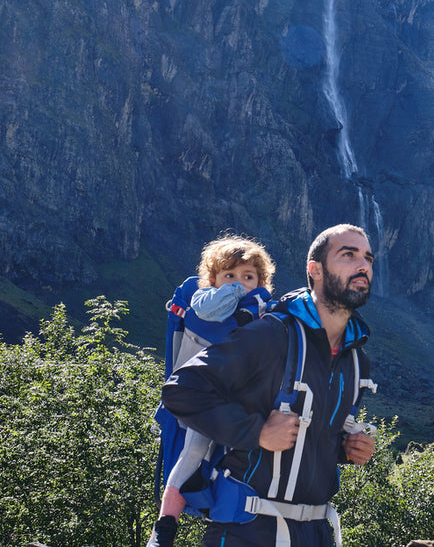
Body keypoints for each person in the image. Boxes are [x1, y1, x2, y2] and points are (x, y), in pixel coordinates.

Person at [161, 224, 377, 547]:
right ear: (314, 270)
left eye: (368, 258)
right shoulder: (273, 334)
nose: (362, 265)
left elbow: (315, 433)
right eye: (348, 255)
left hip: (318, 535)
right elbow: (180, 390)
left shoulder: (356, 360)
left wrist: (349, 447)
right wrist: (258, 432)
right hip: (246, 531)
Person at [148, 234, 277, 547]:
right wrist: (235, 292)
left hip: (234, 406)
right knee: (193, 455)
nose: (239, 282)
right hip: (204, 401)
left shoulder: (262, 309)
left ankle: (193, 525)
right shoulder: (204, 300)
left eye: (248, 277)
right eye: (229, 275)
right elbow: (211, 313)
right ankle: (164, 528)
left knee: (214, 464)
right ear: (212, 279)